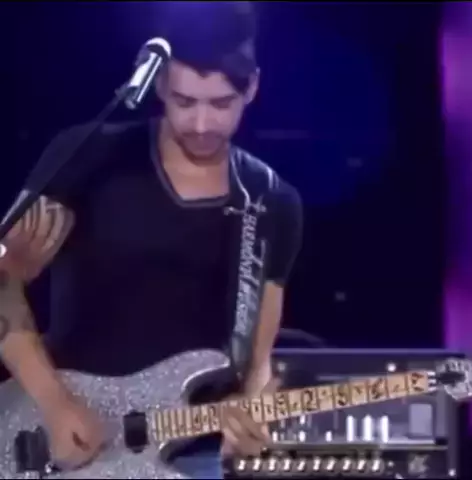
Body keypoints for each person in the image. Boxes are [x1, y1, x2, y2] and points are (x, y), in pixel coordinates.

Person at [0, 3, 302, 479]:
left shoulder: (271, 201)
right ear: (159, 85)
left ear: (252, 88)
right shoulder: (90, 154)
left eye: (221, 104)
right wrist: (53, 402)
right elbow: (1, 282)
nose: (201, 124)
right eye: (184, 101)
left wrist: (252, 418)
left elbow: (257, 360)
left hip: (189, 454)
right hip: (62, 440)